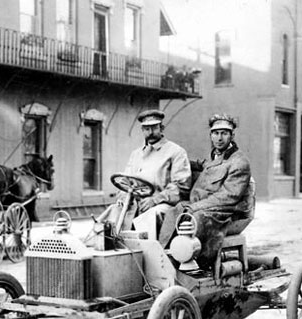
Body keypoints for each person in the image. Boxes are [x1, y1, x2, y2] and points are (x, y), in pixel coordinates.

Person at [159, 113, 254, 271]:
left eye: (224, 133)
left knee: (194, 219)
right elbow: (206, 165)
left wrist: (196, 207)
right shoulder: (217, 157)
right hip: (203, 206)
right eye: (215, 133)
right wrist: (178, 160)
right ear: (211, 135)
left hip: (224, 212)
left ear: (232, 135)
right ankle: (163, 258)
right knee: (173, 211)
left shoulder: (239, 162)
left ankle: (194, 264)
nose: (219, 138)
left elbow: (228, 197)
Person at [100, 109, 191, 239]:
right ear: (142, 130)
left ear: (162, 128)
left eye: (154, 128)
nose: (150, 132)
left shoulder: (176, 152)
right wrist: (123, 197)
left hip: (163, 204)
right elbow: (126, 181)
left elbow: (181, 186)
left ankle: (147, 254)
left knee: (150, 216)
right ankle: (110, 250)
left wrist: (154, 200)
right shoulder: (136, 154)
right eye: (146, 128)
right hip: (136, 203)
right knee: (112, 213)